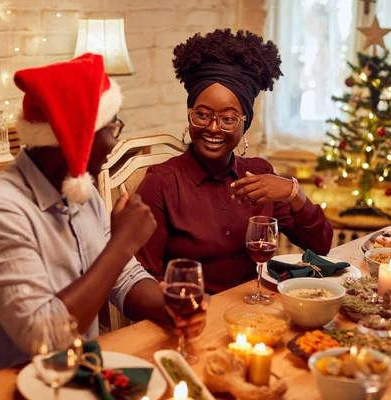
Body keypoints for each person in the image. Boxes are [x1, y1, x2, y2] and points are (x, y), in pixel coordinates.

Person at [0, 54, 206, 372]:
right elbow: (43, 338)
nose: (115, 141)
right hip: (13, 383)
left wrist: (170, 306)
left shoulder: (78, 190)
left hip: (79, 371)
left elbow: (124, 278)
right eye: (110, 127)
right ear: (75, 137)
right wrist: (122, 244)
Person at [135, 29, 334, 294]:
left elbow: (321, 246)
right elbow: (143, 277)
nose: (213, 128)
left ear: (244, 124)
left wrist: (292, 192)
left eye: (228, 119)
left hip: (258, 308)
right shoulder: (161, 183)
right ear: (190, 115)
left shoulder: (261, 174)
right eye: (202, 115)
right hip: (195, 315)